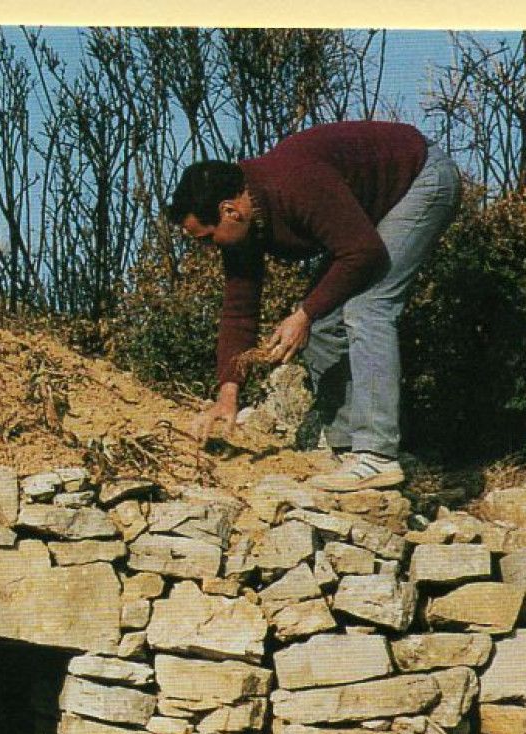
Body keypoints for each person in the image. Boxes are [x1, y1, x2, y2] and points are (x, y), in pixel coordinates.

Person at [167, 121, 462, 491]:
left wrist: (303, 313)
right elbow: (239, 312)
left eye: (207, 238)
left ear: (230, 211)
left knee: (366, 308)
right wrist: (228, 392)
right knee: (322, 323)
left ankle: (377, 456)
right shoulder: (243, 229)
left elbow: (363, 252)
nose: (209, 247)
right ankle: (347, 451)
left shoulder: (294, 183)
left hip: (421, 179)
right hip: (371, 209)